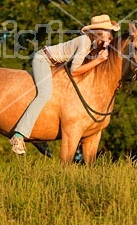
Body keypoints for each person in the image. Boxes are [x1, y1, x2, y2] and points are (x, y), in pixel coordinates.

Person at [10, 14, 120, 155]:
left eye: (110, 31)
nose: (110, 34)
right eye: (107, 31)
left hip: (58, 65)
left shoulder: (96, 45)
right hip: (43, 60)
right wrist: (98, 60)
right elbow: (75, 71)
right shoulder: (85, 42)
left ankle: (37, 136)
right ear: (98, 32)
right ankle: (19, 136)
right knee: (44, 94)